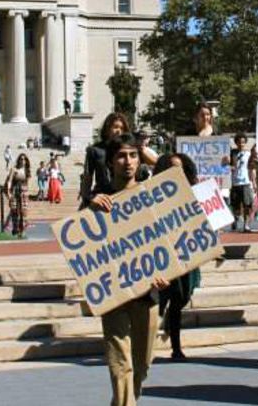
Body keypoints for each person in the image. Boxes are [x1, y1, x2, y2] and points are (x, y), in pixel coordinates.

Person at [83, 133, 171, 406]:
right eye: (121, 156)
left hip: (148, 292)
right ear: (110, 162)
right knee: (120, 365)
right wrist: (90, 206)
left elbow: (169, 238)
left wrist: (166, 271)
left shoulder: (152, 193)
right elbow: (81, 242)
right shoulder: (100, 200)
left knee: (141, 366)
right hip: (114, 293)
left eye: (133, 155)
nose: (128, 162)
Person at [153, 153, 203, 360]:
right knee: (167, 299)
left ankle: (168, 328)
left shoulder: (195, 193)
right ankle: (175, 346)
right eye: (172, 168)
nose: (177, 172)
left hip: (188, 255)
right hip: (165, 256)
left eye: (181, 168)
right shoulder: (155, 196)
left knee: (183, 296)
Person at [81, 113, 157, 206]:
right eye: (115, 127)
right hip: (104, 196)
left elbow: (158, 163)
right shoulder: (95, 150)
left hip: (132, 193)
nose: (118, 131)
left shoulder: (132, 147)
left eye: (122, 128)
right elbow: (87, 177)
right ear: (107, 128)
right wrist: (88, 197)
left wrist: (141, 149)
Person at [229, 133, 254, 232]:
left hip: (246, 182)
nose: (241, 144)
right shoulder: (232, 154)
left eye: (243, 142)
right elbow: (227, 165)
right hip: (235, 183)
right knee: (235, 205)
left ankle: (246, 225)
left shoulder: (249, 154)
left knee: (247, 205)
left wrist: (254, 182)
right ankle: (236, 219)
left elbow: (251, 169)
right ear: (236, 143)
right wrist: (229, 166)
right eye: (239, 142)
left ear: (245, 143)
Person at [3, 154, 31, 237]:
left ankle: (22, 230)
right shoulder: (14, 169)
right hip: (15, 191)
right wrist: (8, 192)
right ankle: (15, 229)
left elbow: (27, 183)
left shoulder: (27, 170)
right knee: (15, 211)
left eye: (24, 159)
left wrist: (27, 192)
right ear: (18, 160)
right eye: (21, 159)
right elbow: (10, 181)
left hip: (24, 192)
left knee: (23, 211)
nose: (23, 161)